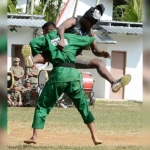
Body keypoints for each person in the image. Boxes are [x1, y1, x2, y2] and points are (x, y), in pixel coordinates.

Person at [22, 4, 131, 93]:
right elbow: (61, 27)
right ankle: (31, 61)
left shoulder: (90, 32)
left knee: (99, 62)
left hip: (74, 57)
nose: (92, 26)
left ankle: (114, 82)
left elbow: (95, 50)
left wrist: (102, 53)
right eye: (91, 23)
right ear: (85, 18)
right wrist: (61, 39)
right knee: (48, 53)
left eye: (94, 23)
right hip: (61, 51)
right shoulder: (74, 21)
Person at [23, 30, 102, 145]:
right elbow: (90, 40)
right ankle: (95, 137)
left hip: (58, 73)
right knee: (83, 105)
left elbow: (32, 43)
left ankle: (34, 136)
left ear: (48, 30)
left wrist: (42, 54)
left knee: (42, 105)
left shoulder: (47, 38)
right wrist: (91, 32)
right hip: (73, 74)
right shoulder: (71, 37)